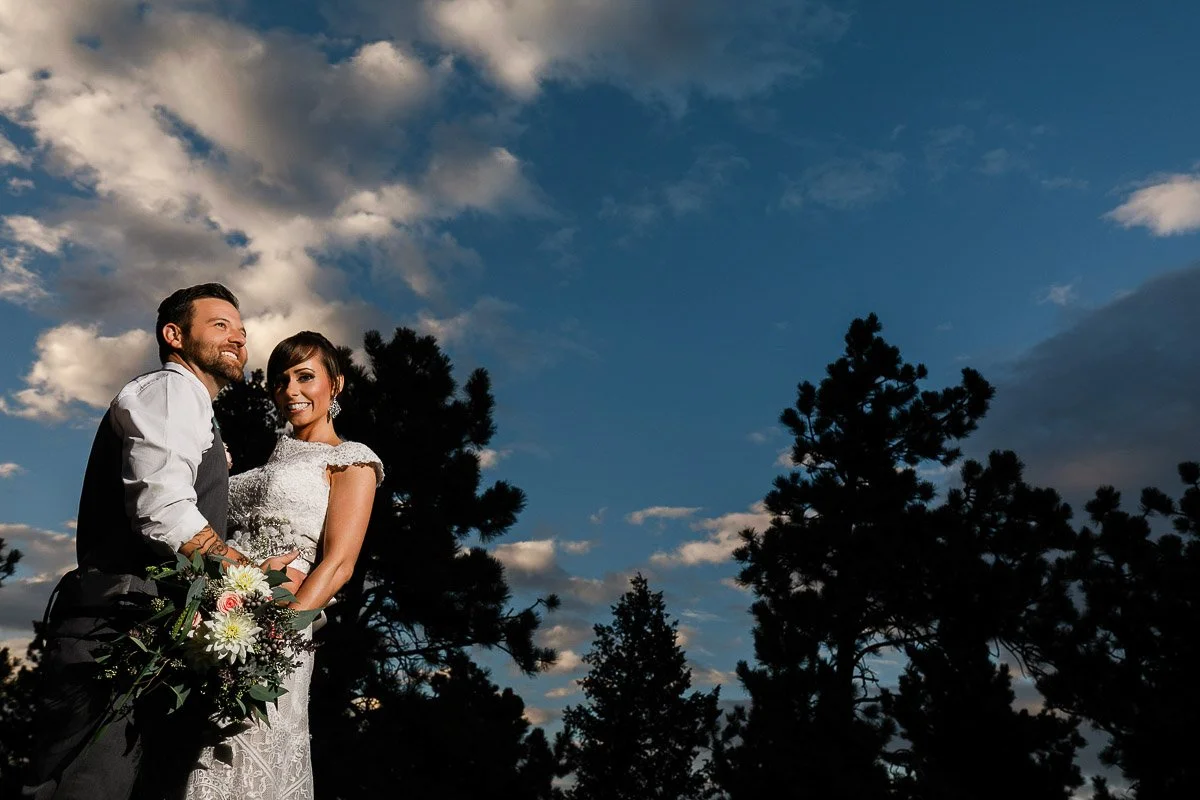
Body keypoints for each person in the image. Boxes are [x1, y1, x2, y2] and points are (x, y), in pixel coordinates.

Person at [24, 283, 300, 800]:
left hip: (148, 633)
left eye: (241, 329)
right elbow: (164, 513)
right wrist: (253, 582)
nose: (238, 338)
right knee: (88, 787)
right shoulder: (171, 391)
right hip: (116, 631)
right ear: (174, 335)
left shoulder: (196, 413)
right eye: (220, 325)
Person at [184, 331, 383, 800]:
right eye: (280, 381)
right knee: (194, 754)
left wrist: (276, 633)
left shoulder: (350, 461)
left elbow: (338, 565)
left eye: (305, 377)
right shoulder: (263, 463)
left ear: (336, 385)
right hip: (215, 620)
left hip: (278, 630)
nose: (290, 390)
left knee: (247, 749)